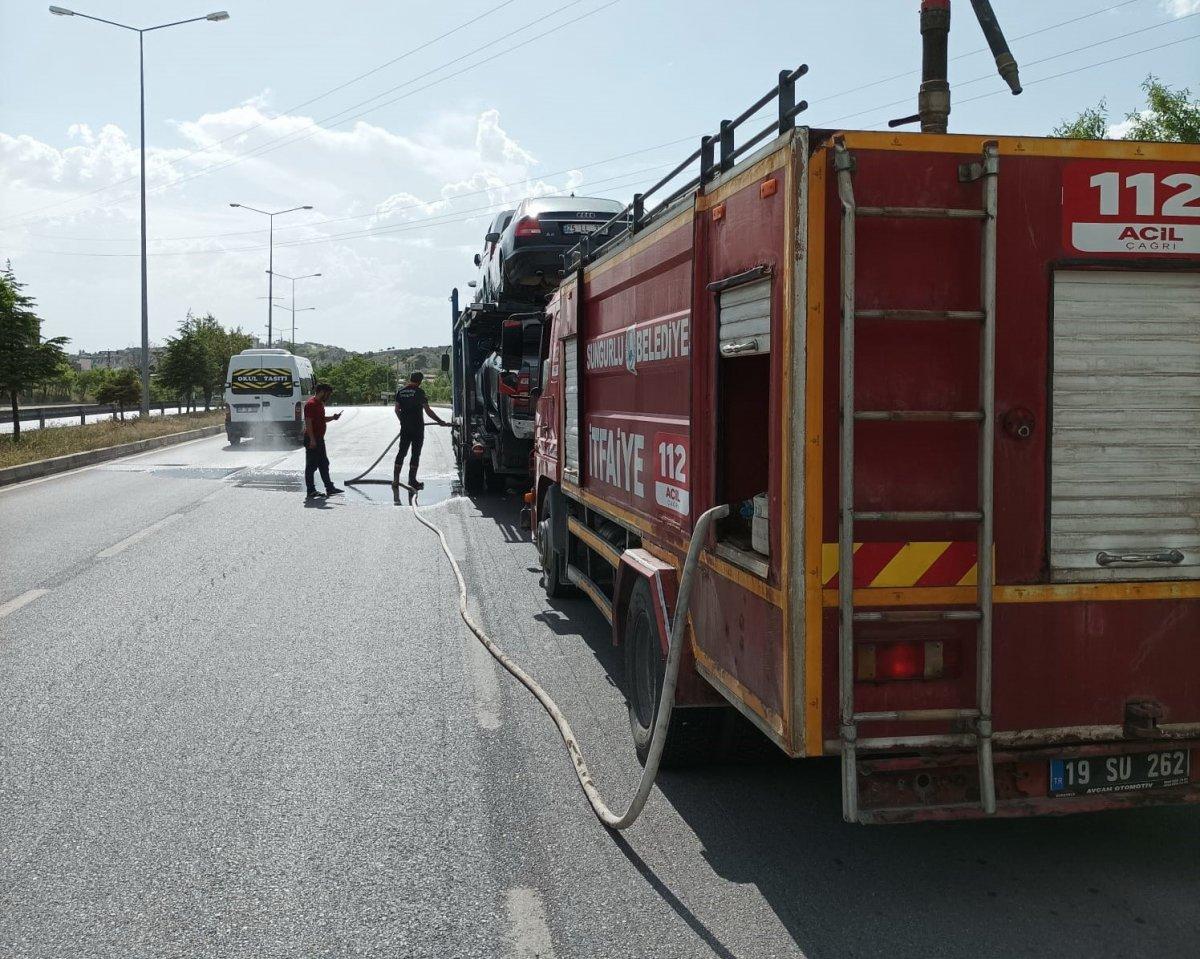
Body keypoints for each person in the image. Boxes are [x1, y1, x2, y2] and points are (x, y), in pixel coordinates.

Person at [393, 371, 448, 490]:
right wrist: (440, 421)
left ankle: (396, 480)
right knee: (415, 453)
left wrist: (402, 421)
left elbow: (397, 410)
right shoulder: (419, 392)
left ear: (410, 378)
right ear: (420, 381)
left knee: (402, 452)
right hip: (417, 428)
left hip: (405, 428)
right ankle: (412, 481)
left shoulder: (400, 392)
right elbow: (428, 411)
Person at [303, 383, 344, 500]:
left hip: (319, 439)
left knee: (324, 464)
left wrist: (333, 417)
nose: (329, 396)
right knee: (311, 466)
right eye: (328, 393)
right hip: (313, 439)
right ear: (321, 391)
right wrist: (312, 439)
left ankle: (329, 488)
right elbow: (308, 423)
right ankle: (310, 490)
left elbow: (321, 420)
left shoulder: (320, 404)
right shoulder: (310, 404)